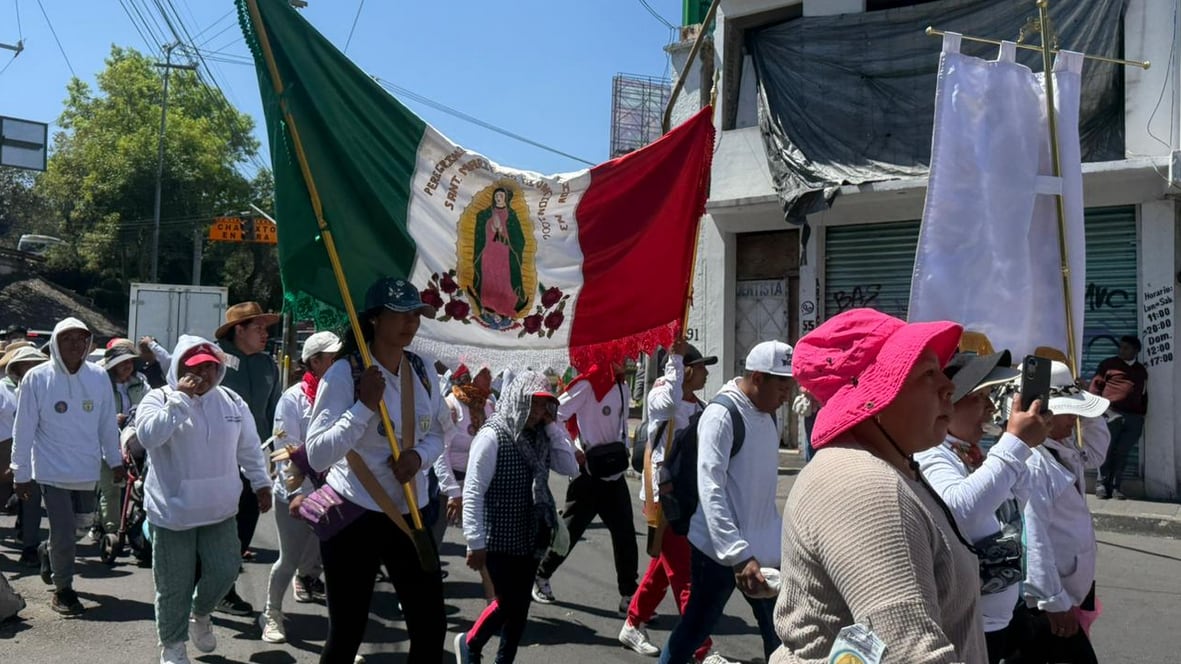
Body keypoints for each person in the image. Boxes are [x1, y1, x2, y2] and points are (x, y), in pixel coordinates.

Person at [771, 309, 987, 664]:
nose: (949, 386)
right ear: (873, 399)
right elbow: (911, 655)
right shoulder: (863, 485)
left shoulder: (894, 467)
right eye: (927, 374)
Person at [306, 276, 446, 664]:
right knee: (347, 634)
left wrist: (418, 458)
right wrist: (364, 407)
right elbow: (317, 454)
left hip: (410, 515)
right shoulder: (343, 374)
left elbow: (437, 432)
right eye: (399, 313)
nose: (410, 322)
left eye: (415, 313)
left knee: (431, 629)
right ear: (373, 319)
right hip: (355, 514)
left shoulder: (422, 370)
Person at [135, 336, 272, 664]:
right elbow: (148, 437)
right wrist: (179, 400)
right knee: (173, 585)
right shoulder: (159, 398)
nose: (204, 375)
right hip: (173, 513)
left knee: (225, 571)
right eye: (195, 368)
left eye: (211, 367)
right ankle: (172, 646)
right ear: (180, 368)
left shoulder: (231, 401)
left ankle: (201, 612)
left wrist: (261, 482)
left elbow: (249, 447)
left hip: (220, 509)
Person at [658, 340, 791, 664]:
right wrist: (738, 555)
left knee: (781, 634)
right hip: (720, 552)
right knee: (695, 627)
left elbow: (760, 490)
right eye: (782, 385)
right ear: (758, 377)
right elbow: (711, 489)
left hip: (763, 551)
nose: (787, 394)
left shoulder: (769, 415)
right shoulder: (722, 415)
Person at [915, 351, 1044, 664]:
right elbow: (960, 512)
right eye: (981, 397)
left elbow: (1012, 509)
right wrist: (1014, 444)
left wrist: (1017, 446)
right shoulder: (933, 455)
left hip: (992, 623)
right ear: (948, 403)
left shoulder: (968, 453)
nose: (990, 407)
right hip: (965, 629)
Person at [620, 339, 733, 664]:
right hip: (663, 498)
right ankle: (702, 649)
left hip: (689, 496)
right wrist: (675, 359)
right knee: (685, 573)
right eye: (700, 368)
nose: (706, 374)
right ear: (686, 370)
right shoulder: (661, 395)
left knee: (661, 569)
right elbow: (668, 403)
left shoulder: (700, 406)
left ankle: (632, 623)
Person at [454, 371, 580, 663]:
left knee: (519, 611)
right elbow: (473, 491)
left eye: (544, 405)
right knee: (506, 603)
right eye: (534, 404)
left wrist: (553, 427)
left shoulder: (541, 435)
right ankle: (471, 645)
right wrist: (474, 541)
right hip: (498, 536)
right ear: (518, 400)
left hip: (531, 535)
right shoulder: (492, 435)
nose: (538, 412)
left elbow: (569, 466)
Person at [10, 317, 125, 615]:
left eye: (81, 339)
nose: (75, 345)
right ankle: (63, 590)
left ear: (88, 344)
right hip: (50, 469)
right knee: (62, 531)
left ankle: (49, 552)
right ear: (56, 343)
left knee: (82, 527)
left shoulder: (99, 376)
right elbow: (24, 429)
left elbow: (106, 424)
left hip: (86, 468)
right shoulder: (36, 378)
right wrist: (21, 474)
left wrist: (115, 460)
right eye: (67, 339)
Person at [1021, 360, 1110, 664]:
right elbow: (1033, 537)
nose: (1074, 418)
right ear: (1046, 413)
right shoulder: (1034, 461)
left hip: (1074, 583)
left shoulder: (1064, 444)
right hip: (1054, 594)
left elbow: (1096, 454)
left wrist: (1090, 414)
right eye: (1069, 411)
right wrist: (1053, 601)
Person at [532, 360, 638, 613]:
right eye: (622, 355)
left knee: (625, 537)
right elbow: (553, 413)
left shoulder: (622, 385)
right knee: (569, 531)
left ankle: (629, 595)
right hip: (589, 475)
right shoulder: (588, 385)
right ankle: (540, 575)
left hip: (614, 473)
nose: (629, 360)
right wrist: (573, 449)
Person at [257, 331, 341, 644]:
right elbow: (284, 447)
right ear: (315, 361)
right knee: (288, 559)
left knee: (331, 563)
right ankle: (272, 614)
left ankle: (341, 639)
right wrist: (296, 493)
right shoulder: (292, 398)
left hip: (334, 493)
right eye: (331, 356)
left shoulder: (344, 393)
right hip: (297, 492)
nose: (338, 361)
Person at [215, 301, 282, 616]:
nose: (265, 334)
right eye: (258, 328)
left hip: (254, 460)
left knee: (245, 525)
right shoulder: (215, 361)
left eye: (266, 329)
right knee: (217, 528)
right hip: (218, 461)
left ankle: (222, 586)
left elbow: (274, 413)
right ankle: (219, 590)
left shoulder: (269, 365)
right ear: (238, 330)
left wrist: (274, 457)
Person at [436, 363, 498, 599]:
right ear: (470, 376)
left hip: (479, 485)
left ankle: (494, 602)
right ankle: (415, 593)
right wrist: (453, 492)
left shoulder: (489, 406)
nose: (490, 377)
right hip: (449, 485)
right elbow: (440, 454)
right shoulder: (450, 405)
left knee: (484, 542)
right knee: (432, 539)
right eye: (485, 373)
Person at [94, 341, 150, 539]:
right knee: (110, 487)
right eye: (122, 362)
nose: (127, 366)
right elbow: (92, 410)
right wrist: (112, 418)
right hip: (106, 439)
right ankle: (111, 529)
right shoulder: (100, 383)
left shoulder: (141, 382)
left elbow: (149, 404)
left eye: (130, 362)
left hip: (135, 441)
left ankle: (124, 526)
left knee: (134, 485)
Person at [0, 344, 48, 567]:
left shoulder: (47, 390)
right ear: (17, 369)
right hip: (3, 449)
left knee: (32, 500)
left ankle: (29, 546)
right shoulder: (3, 390)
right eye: (27, 366)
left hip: (34, 452)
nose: (32, 371)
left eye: (36, 365)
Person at [1089, 335, 1147, 500]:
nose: (1121, 350)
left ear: (1136, 351)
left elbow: (1144, 393)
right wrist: (1098, 410)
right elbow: (1095, 387)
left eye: (1126, 348)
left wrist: (1141, 414)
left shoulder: (1141, 370)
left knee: (1122, 452)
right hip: (1111, 413)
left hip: (1133, 418)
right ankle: (1101, 485)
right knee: (1105, 449)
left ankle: (1116, 487)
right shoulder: (1109, 365)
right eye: (1120, 347)